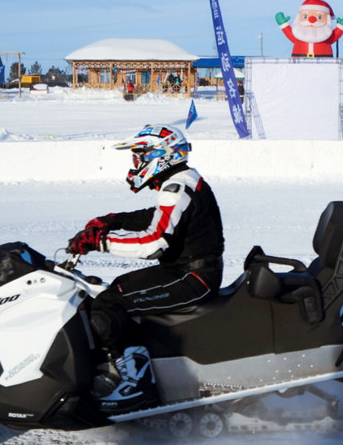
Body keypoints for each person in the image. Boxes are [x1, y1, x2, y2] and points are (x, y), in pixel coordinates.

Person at [66, 124, 224, 414]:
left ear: (160, 155)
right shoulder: (181, 180)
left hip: (193, 276)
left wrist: (100, 241)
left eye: (140, 156)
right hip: (187, 270)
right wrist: (113, 220)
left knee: (109, 303)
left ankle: (139, 386)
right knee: (115, 288)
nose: (136, 164)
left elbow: (154, 243)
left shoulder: (178, 186)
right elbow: (157, 217)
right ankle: (118, 367)